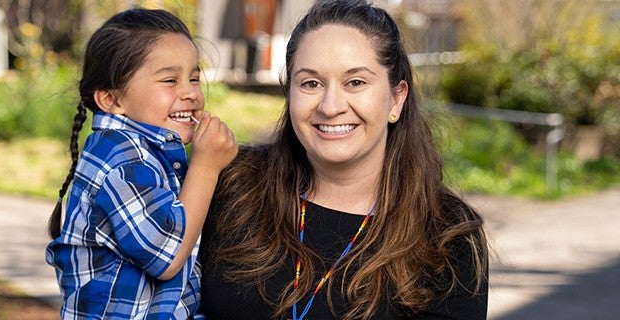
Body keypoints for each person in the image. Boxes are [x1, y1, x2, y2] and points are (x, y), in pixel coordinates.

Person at [199, 1, 488, 319]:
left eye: (356, 82)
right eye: (311, 83)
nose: (331, 105)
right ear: (290, 94)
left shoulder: (447, 236)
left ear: (396, 98)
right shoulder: (232, 186)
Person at [45, 8, 237, 319]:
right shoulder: (119, 159)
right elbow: (169, 256)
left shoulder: (152, 152)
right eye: (170, 80)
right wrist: (207, 166)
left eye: (194, 77)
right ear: (111, 99)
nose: (190, 92)